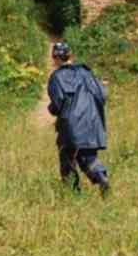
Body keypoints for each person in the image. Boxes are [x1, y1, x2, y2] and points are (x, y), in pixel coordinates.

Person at [47, 41, 110, 194]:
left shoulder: (56, 77)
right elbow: (102, 95)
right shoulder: (87, 72)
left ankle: (73, 194)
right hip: (91, 123)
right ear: (71, 56)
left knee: (67, 159)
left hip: (70, 125)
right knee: (88, 158)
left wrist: (51, 109)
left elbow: (58, 103)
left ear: (54, 58)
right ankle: (101, 177)